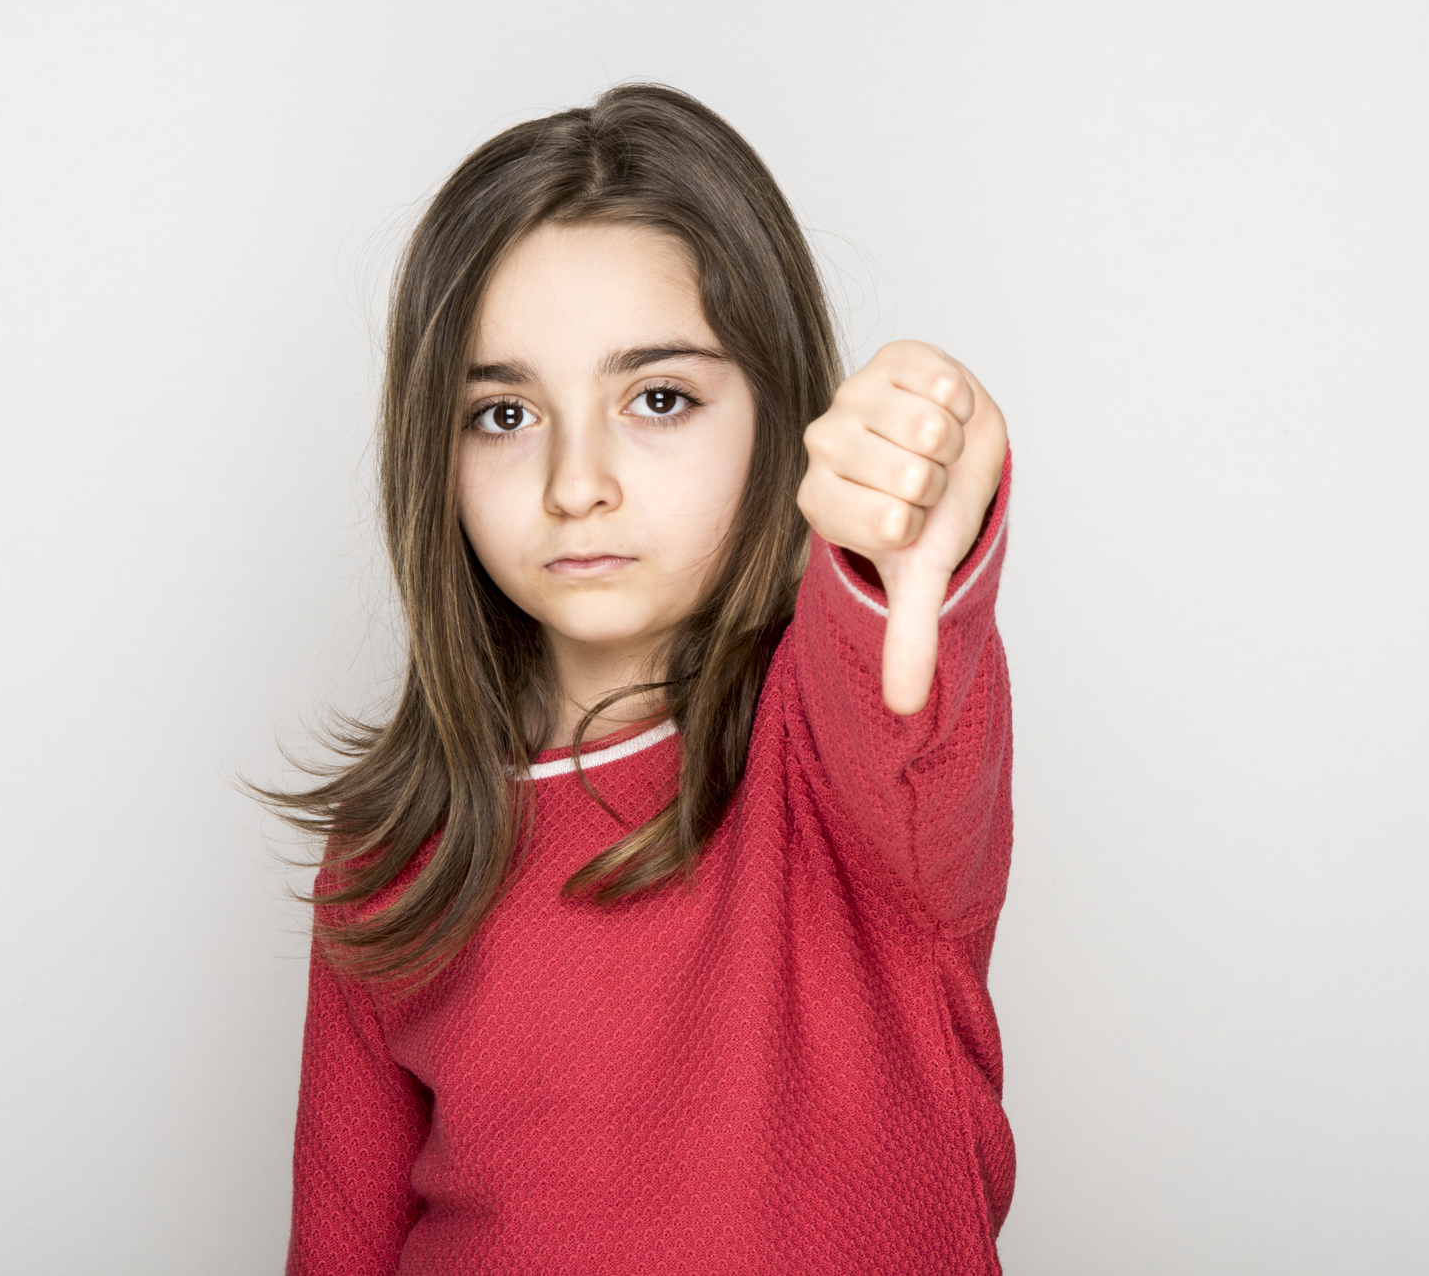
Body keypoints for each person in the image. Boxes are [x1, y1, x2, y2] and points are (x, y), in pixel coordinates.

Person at [268, 84, 1014, 1275]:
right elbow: (341, 1237)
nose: (575, 483)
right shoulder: (390, 850)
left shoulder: (839, 764)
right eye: (504, 413)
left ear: (784, 417)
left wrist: (907, 526)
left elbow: (905, 702)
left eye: (658, 399)